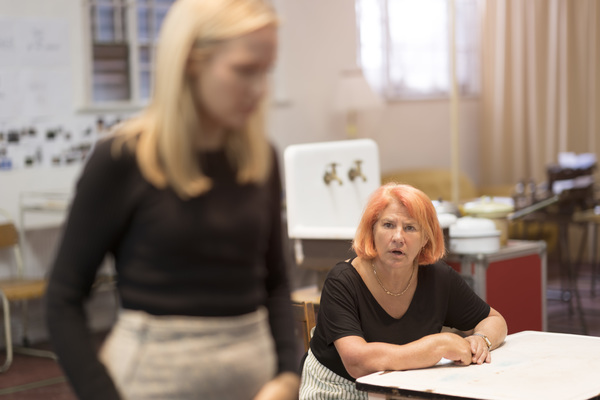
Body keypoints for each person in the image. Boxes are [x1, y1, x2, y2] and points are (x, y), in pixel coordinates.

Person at [45, 1, 300, 399]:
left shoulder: (260, 159)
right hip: (150, 383)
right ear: (190, 61)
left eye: (266, 71)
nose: (259, 90)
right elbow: (62, 300)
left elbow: (276, 284)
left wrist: (287, 376)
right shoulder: (123, 158)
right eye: (245, 70)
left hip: (254, 382)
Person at [299, 183, 508, 399]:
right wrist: (436, 346)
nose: (398, 237)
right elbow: (357, 362)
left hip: (404, 386)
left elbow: (494, 319)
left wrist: (481, 340)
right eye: (388, 225)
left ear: (425, 238)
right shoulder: (343, 280)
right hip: (339, 388)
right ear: (372, 230)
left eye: (410, 228)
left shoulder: (439, 277)